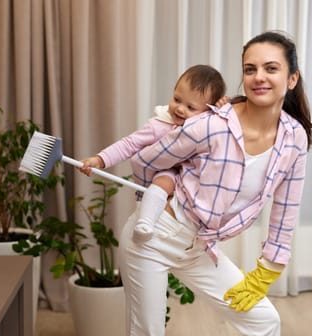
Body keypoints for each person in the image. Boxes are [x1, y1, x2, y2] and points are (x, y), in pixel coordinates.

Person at [119, 31, 312, 336]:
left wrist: (267, 270)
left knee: (265, 322)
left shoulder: (294, 139)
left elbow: (286, 209)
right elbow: (144, 160)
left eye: (271, 68)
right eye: (250, 69)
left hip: (200, 248)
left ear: (292, 78)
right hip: (154, 237)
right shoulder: (212, 125)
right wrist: (162, 189)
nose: (259, 77)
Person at [79, 64, 227, 243]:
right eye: (177, 99)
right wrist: (100, 159)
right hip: (163, 178)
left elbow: (225, 126)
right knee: (165, 178)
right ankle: (145, 223)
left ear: (207, 112)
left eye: (190, 107)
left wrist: (223, 108)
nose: (180, 109)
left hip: (193, 192)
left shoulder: (206, 129)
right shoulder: (159, 125)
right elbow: (129, 144)